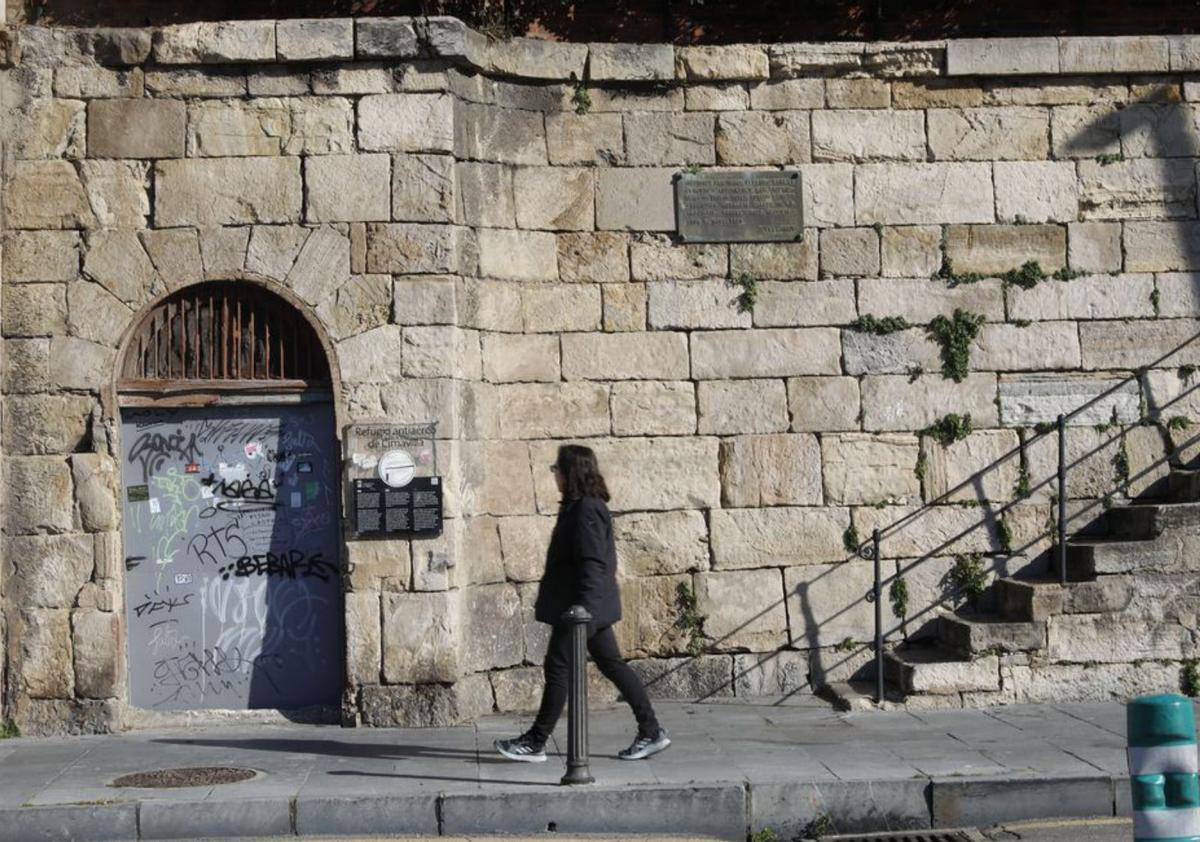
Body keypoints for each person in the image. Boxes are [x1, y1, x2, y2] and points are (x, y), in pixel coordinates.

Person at [494, 444, 671, 763]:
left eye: (556, 470)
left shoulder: (587, 509)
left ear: (569, 472)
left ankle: (536, 741)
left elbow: (593, 563)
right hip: (587, 606)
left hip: (581, 608)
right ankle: (651, 730)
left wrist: (583, 611)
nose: (555, 476)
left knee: (558, 667)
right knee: (611, 664)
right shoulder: (579, 506)